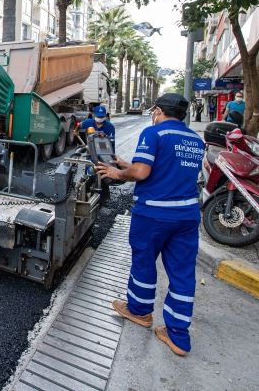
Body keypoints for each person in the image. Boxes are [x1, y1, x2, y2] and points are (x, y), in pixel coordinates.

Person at [95, 93, 205, 357]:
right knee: (182, 273)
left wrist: (117, 172)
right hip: (187, 216)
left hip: (154, 214)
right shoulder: (196, 140)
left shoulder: (154, 133)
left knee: (144, 262)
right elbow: (169, 169)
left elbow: (142, 173)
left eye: (154, 110)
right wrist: (128, 164)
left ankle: (140, 311)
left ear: (158, 111)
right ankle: (178, 336)